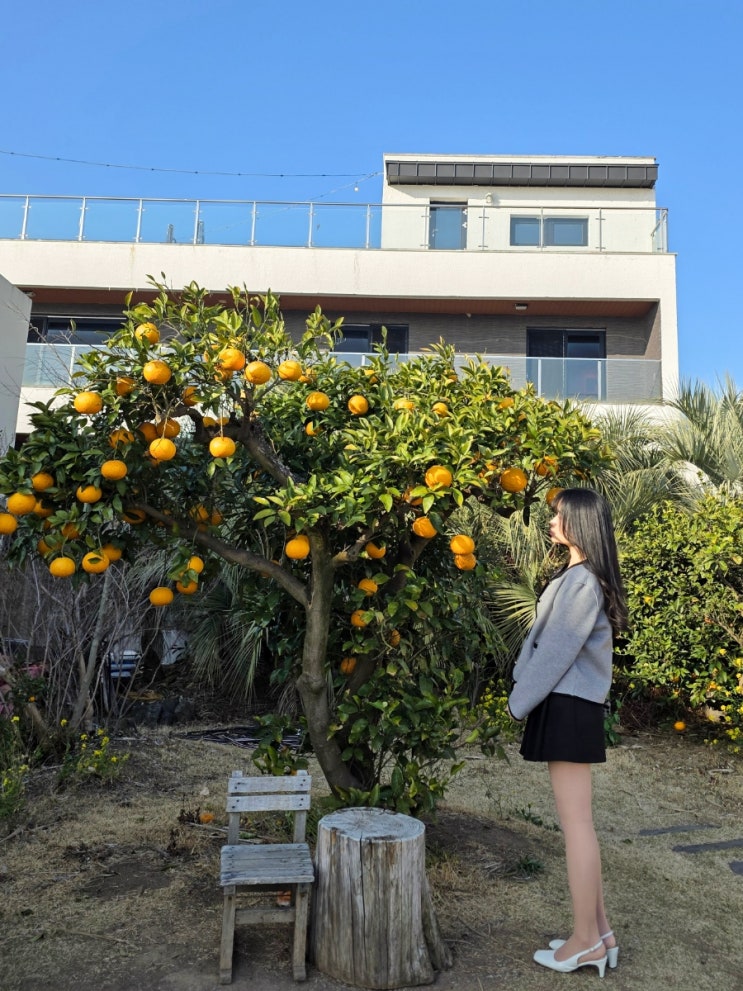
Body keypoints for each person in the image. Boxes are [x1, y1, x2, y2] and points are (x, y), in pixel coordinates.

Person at [507, 488, 628, 978]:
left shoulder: (582, 582)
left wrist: (518, 702)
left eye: (559, 516)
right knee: (580, 824)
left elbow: (555, 652)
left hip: (569, 704)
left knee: (577, 826)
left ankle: (585, 942)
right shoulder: (583, 576)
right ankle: (600, 934)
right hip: (572, 704)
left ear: (581, 524)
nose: (552, 522)